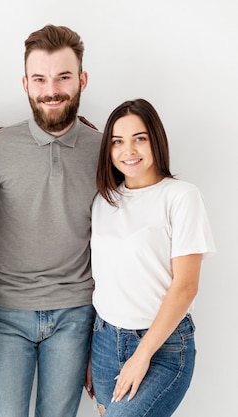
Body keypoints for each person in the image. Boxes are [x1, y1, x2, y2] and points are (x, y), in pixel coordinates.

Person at [0, 25, 101, 417]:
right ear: (25, 84)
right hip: (4, 311)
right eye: (40, 79)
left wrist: (106, 335)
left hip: (76, 311)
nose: (52, 90)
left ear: (82, 80)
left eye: (63, 77)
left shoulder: (107, 150)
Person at [89, 98, 216, 417]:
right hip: (104, 340)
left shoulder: (181, 197)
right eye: (117, 141)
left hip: (162, 346)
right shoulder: (104, 201)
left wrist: (142, 355)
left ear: (156, 140)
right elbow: (104, 279)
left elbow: (186, 287)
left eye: (139, 139)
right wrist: (92, 351)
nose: (128, 150)